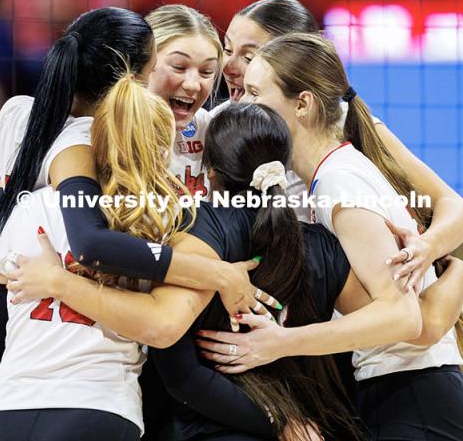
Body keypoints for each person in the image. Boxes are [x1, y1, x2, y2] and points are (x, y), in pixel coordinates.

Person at [2, 103, 362, 441]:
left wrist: (57, 283)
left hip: (29, 405)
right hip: (313, 427)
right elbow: (394, 321)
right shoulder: (326, 245)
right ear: (285, 165)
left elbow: (180, 371)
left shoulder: (191, 229)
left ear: (210, 173)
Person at [197, 33, 463, 440]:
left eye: (254, 92)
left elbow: (405, 316)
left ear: (302, 104)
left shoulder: (338, 182)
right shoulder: (327, 175)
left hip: (415, 391)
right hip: (398, 388)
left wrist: (280, 343)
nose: (242, 104)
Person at [0, 69, 189, 440]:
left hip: (9, 407)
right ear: (162, 151)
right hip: (100, 405)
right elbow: (165, 327)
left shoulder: (33, 203)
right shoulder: (167, 217)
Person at [212, 0, 463, 287]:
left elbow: (451, 204)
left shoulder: (345, 132)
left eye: (249, 56)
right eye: (227, 49)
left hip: (351, 302)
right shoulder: (220, 130)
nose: (228, 66)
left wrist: (428, 248)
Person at [146, 4, 223, 198]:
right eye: (179, 67)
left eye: (206, 72)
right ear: (143, 63)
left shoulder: (209, 129)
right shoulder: (103, 130)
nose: (193, 85)